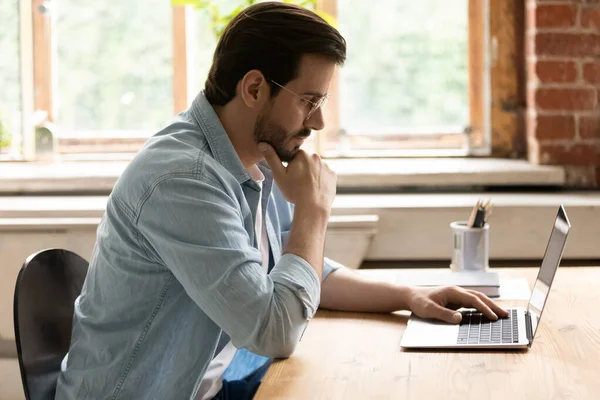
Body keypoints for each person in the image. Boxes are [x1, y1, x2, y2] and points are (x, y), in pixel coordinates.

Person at [55, 2, 508, 399]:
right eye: (309, 100)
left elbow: (300, 272)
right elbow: (275, 330)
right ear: (254, 89)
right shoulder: (185, 179)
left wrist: (411, 295)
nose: (318, 121)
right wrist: (315, 209)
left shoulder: (256, 156)